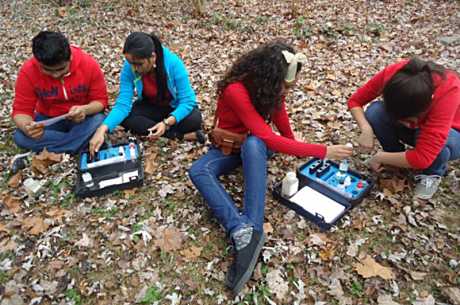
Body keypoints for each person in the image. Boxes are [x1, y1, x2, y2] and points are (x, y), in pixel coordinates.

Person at [188, 41, 353, 294]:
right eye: (285, 85)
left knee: (254, 144)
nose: (287, 90)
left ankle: (247, 233)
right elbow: (267, 135)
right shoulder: (236, 89)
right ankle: (243, 230)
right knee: (199, 170)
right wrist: (322, 150)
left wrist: (294, 145)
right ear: (269, 76)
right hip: (231, 147)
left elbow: (279, 120)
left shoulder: (270, 90)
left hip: (255, 145)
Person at [348, 58, 460, 200]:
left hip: (454, 134)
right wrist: (366, 128)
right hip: (420, 128)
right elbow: (355, 101)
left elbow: (423, 158)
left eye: (407, 119)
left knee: (442, 144)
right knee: (375, 112)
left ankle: (432, 173)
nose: (404, 123)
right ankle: (396, 156)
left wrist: (379, 157)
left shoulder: (448, 91)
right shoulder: (395, 75)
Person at [89, 32, 203, 155]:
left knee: (194, 119)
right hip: (151, 106)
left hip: (173, 107)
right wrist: (102, 129)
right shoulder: (129, 68)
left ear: (152, 57)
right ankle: (179, 135)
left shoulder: (173, 64)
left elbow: (187, 101)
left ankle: (165, 131)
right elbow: (123, 104)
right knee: (126, 118)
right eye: (130, 63)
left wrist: (167, 122)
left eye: (138, 64)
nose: (134, 69)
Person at [12, 31, 108, 154]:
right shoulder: (28, 71)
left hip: (82, 118)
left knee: (99, 120)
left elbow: (100, 101)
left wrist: (84, 109)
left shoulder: (88, 64)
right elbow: (21, 111)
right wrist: (27, 127)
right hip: (49, 119)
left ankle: (60, 146)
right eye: (48, 70)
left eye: (61, 69)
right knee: (20, 136)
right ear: (38, 61)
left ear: (70, 57)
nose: (56, 74)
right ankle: (80, 144)